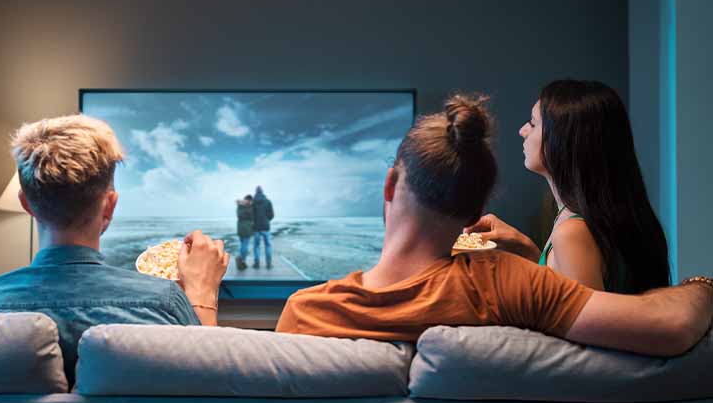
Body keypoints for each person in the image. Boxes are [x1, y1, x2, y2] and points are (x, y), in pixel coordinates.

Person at [276, 94, 712, 358]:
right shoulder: (503, 283)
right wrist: (701, 284)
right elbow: (671, 326)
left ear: (390, 184)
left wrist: (205, 298)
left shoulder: (307, 310)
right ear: (475, 212)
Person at [0, 114, 229, 385]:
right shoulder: (163, 304)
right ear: (109, 206)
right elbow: (210, 389)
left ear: (26, 203)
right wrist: (201, 292)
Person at [466, 80, 669, 293]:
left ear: (563, 140)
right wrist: (527, 249)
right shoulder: (586, 220)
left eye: (533, 123)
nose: (522, 130)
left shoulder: (572, 232)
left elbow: (589, 324)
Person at [252, 185, 274, 269]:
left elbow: (252, 215)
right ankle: (268, 264)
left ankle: (257, 264)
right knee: (268, 245)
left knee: (257, 246)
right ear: (262, 191)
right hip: (265, 227)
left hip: (256, 227)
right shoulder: (268, 201)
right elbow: (271, 215)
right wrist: (266, 220)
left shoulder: (253, 202)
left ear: (256, 192)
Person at [235, 194, 254, 270]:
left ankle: (242, 260)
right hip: (247, 228)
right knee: (245, 245)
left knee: (242, 244)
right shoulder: (249, 207)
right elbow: (251, 215)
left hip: (240, 228)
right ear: (249, 200)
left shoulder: (239, 206)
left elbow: (239, 215)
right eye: (250, 201)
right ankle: (241, 259)